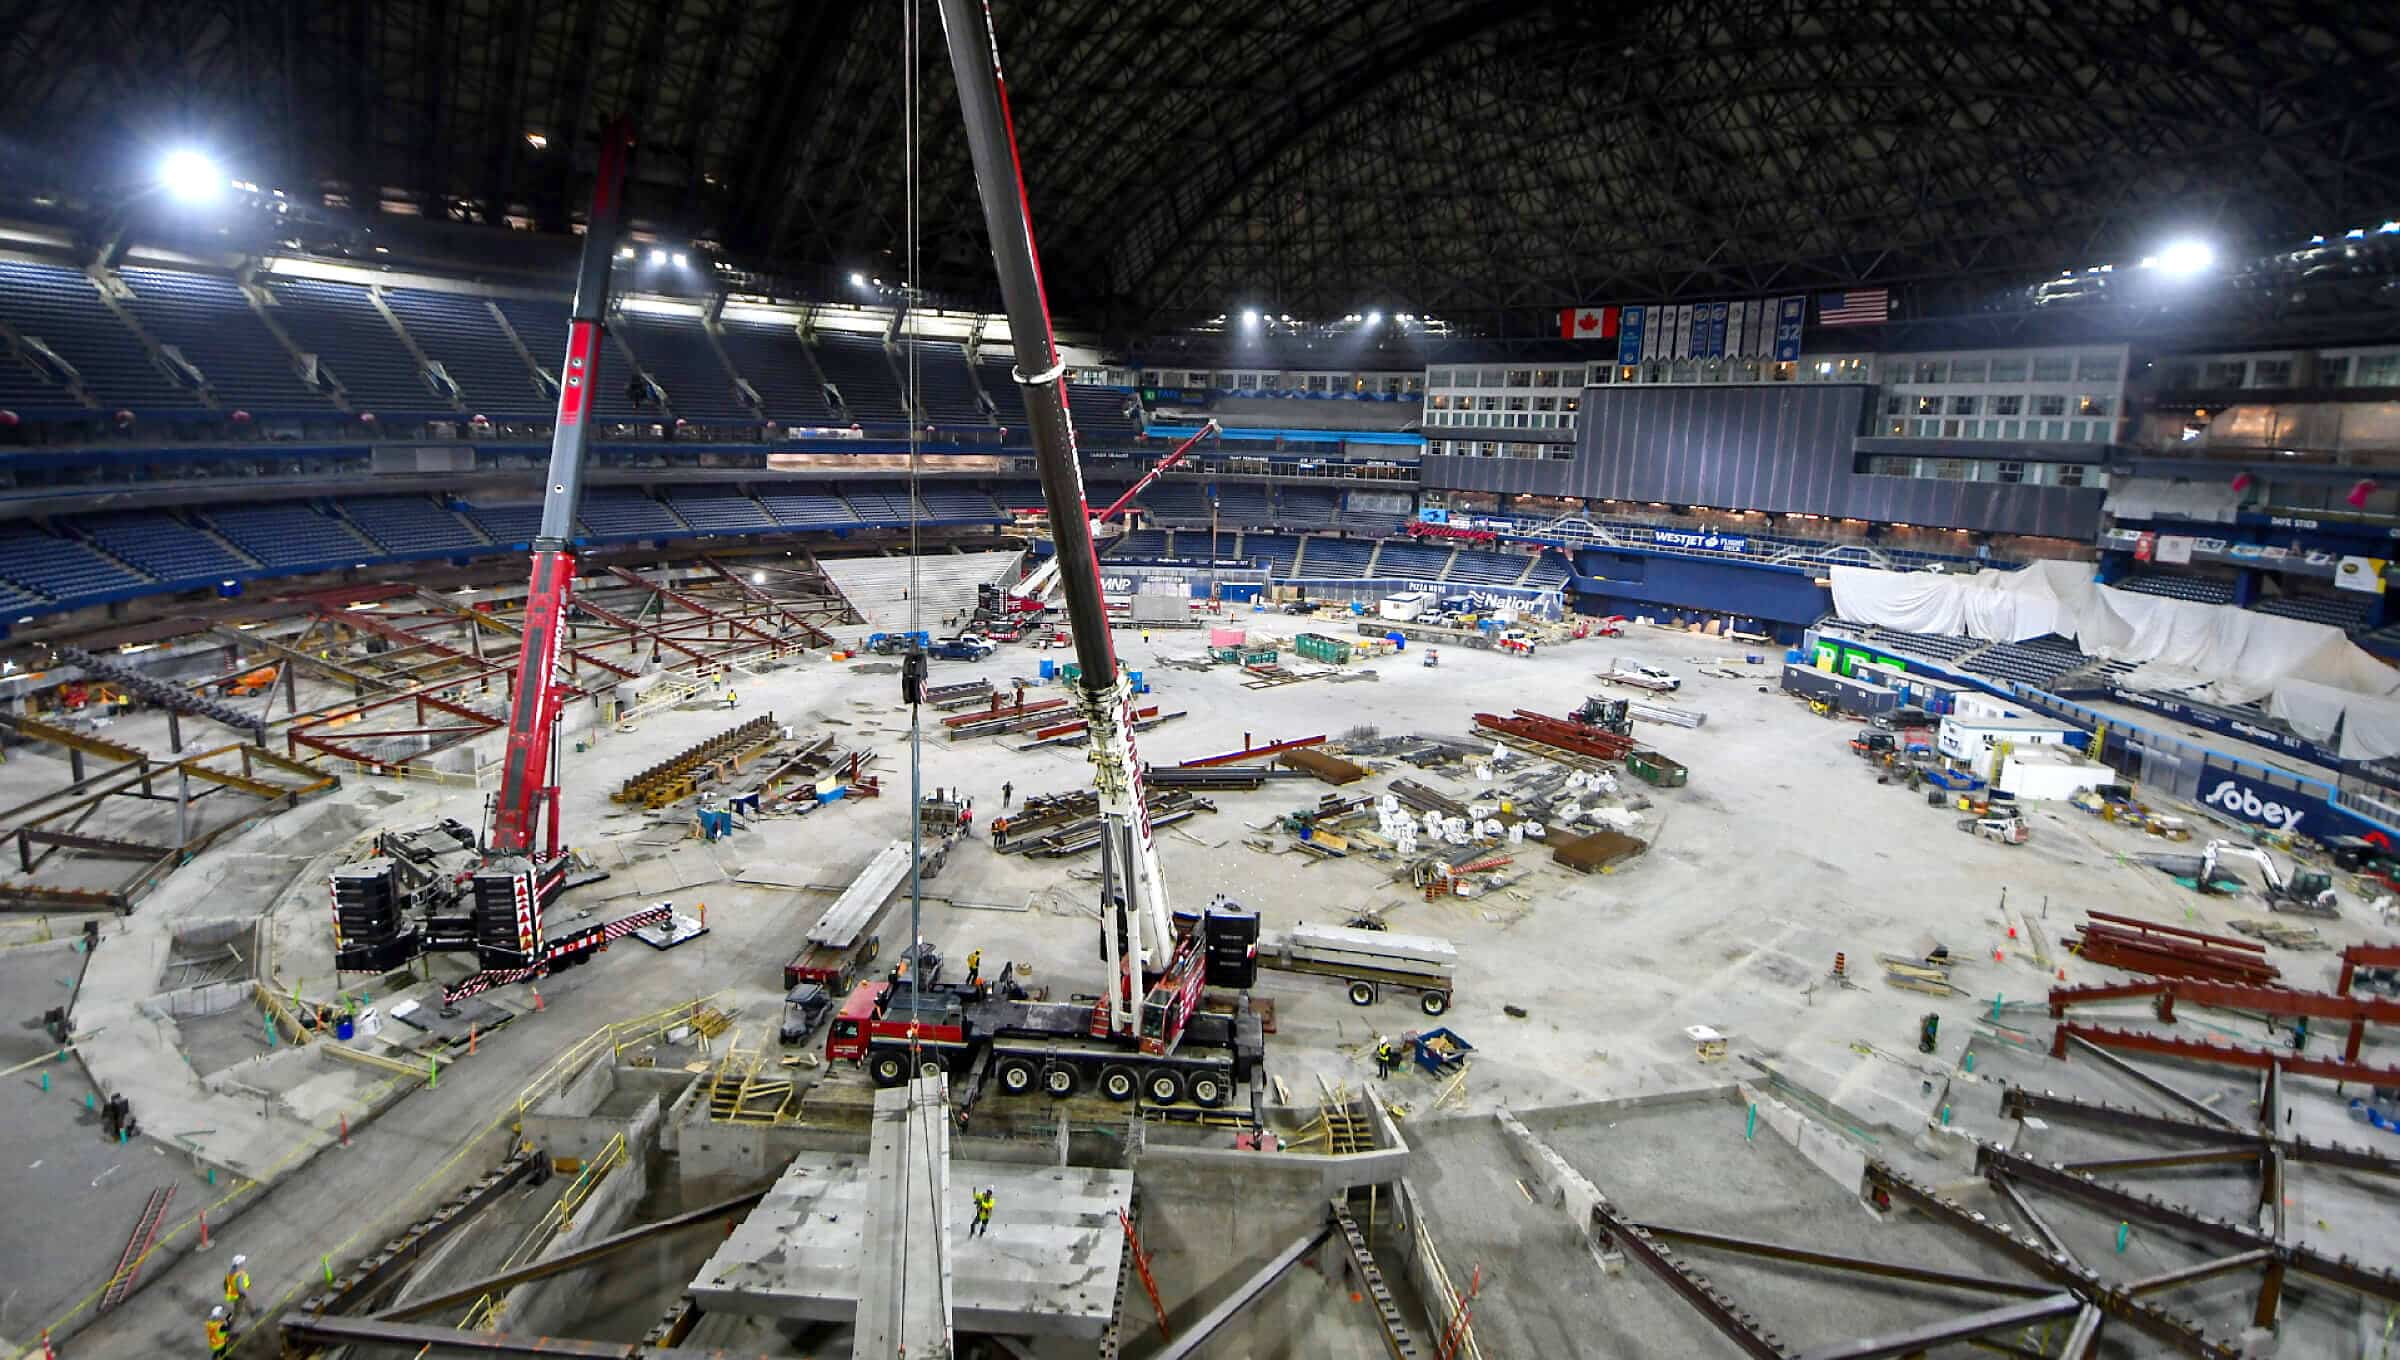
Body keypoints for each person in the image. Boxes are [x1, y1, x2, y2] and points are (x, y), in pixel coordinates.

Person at [223, 1254, 251, 1319]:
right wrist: (242, 1292)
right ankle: (230, 1323)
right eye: (242, 1262)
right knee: (237, 1312)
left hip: (235, 1292)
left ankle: (252, 1312)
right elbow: (239, 1285)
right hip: (237, 1294)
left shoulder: (233, 1270)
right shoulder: (237, 1272)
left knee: (246, 1300)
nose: (244, 1263)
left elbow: (226, 1283)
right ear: (239, 1263)